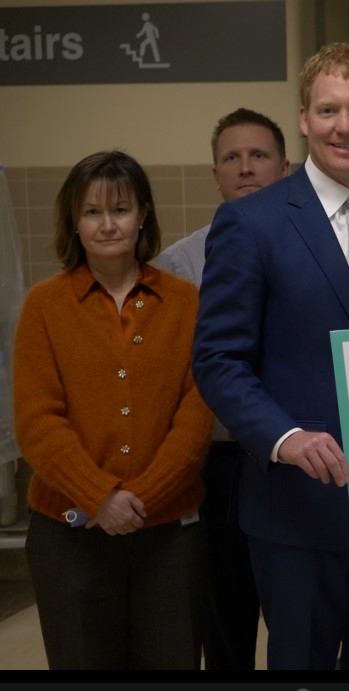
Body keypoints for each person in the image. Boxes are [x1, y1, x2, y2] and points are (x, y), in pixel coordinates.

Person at [191, 43, 349, 670]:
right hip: (297, 510)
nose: (343, 127)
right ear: (303, 118)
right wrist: (284, 437)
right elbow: (217, 359)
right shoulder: (251, 223)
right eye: (328, 110)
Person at [13, 150, 214, 669]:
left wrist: (140, 499)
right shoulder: (44, 305)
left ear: (142, 214)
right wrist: (99, 497)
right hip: (69, 534)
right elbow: (37, 421)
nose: (107, 224)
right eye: (92, 212)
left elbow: (196, 412)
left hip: (168, 536)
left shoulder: (185, 302)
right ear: (74, 222)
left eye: (120, 209)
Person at [155, 107, 289, 670]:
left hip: (292, 459)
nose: (246, 167)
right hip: (215, 462)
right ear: (215, 174)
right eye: (232, 158)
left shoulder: (311, 249)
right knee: (224, 625)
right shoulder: (179, 264)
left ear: (285, 167)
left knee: (294, 621)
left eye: (259, 155)